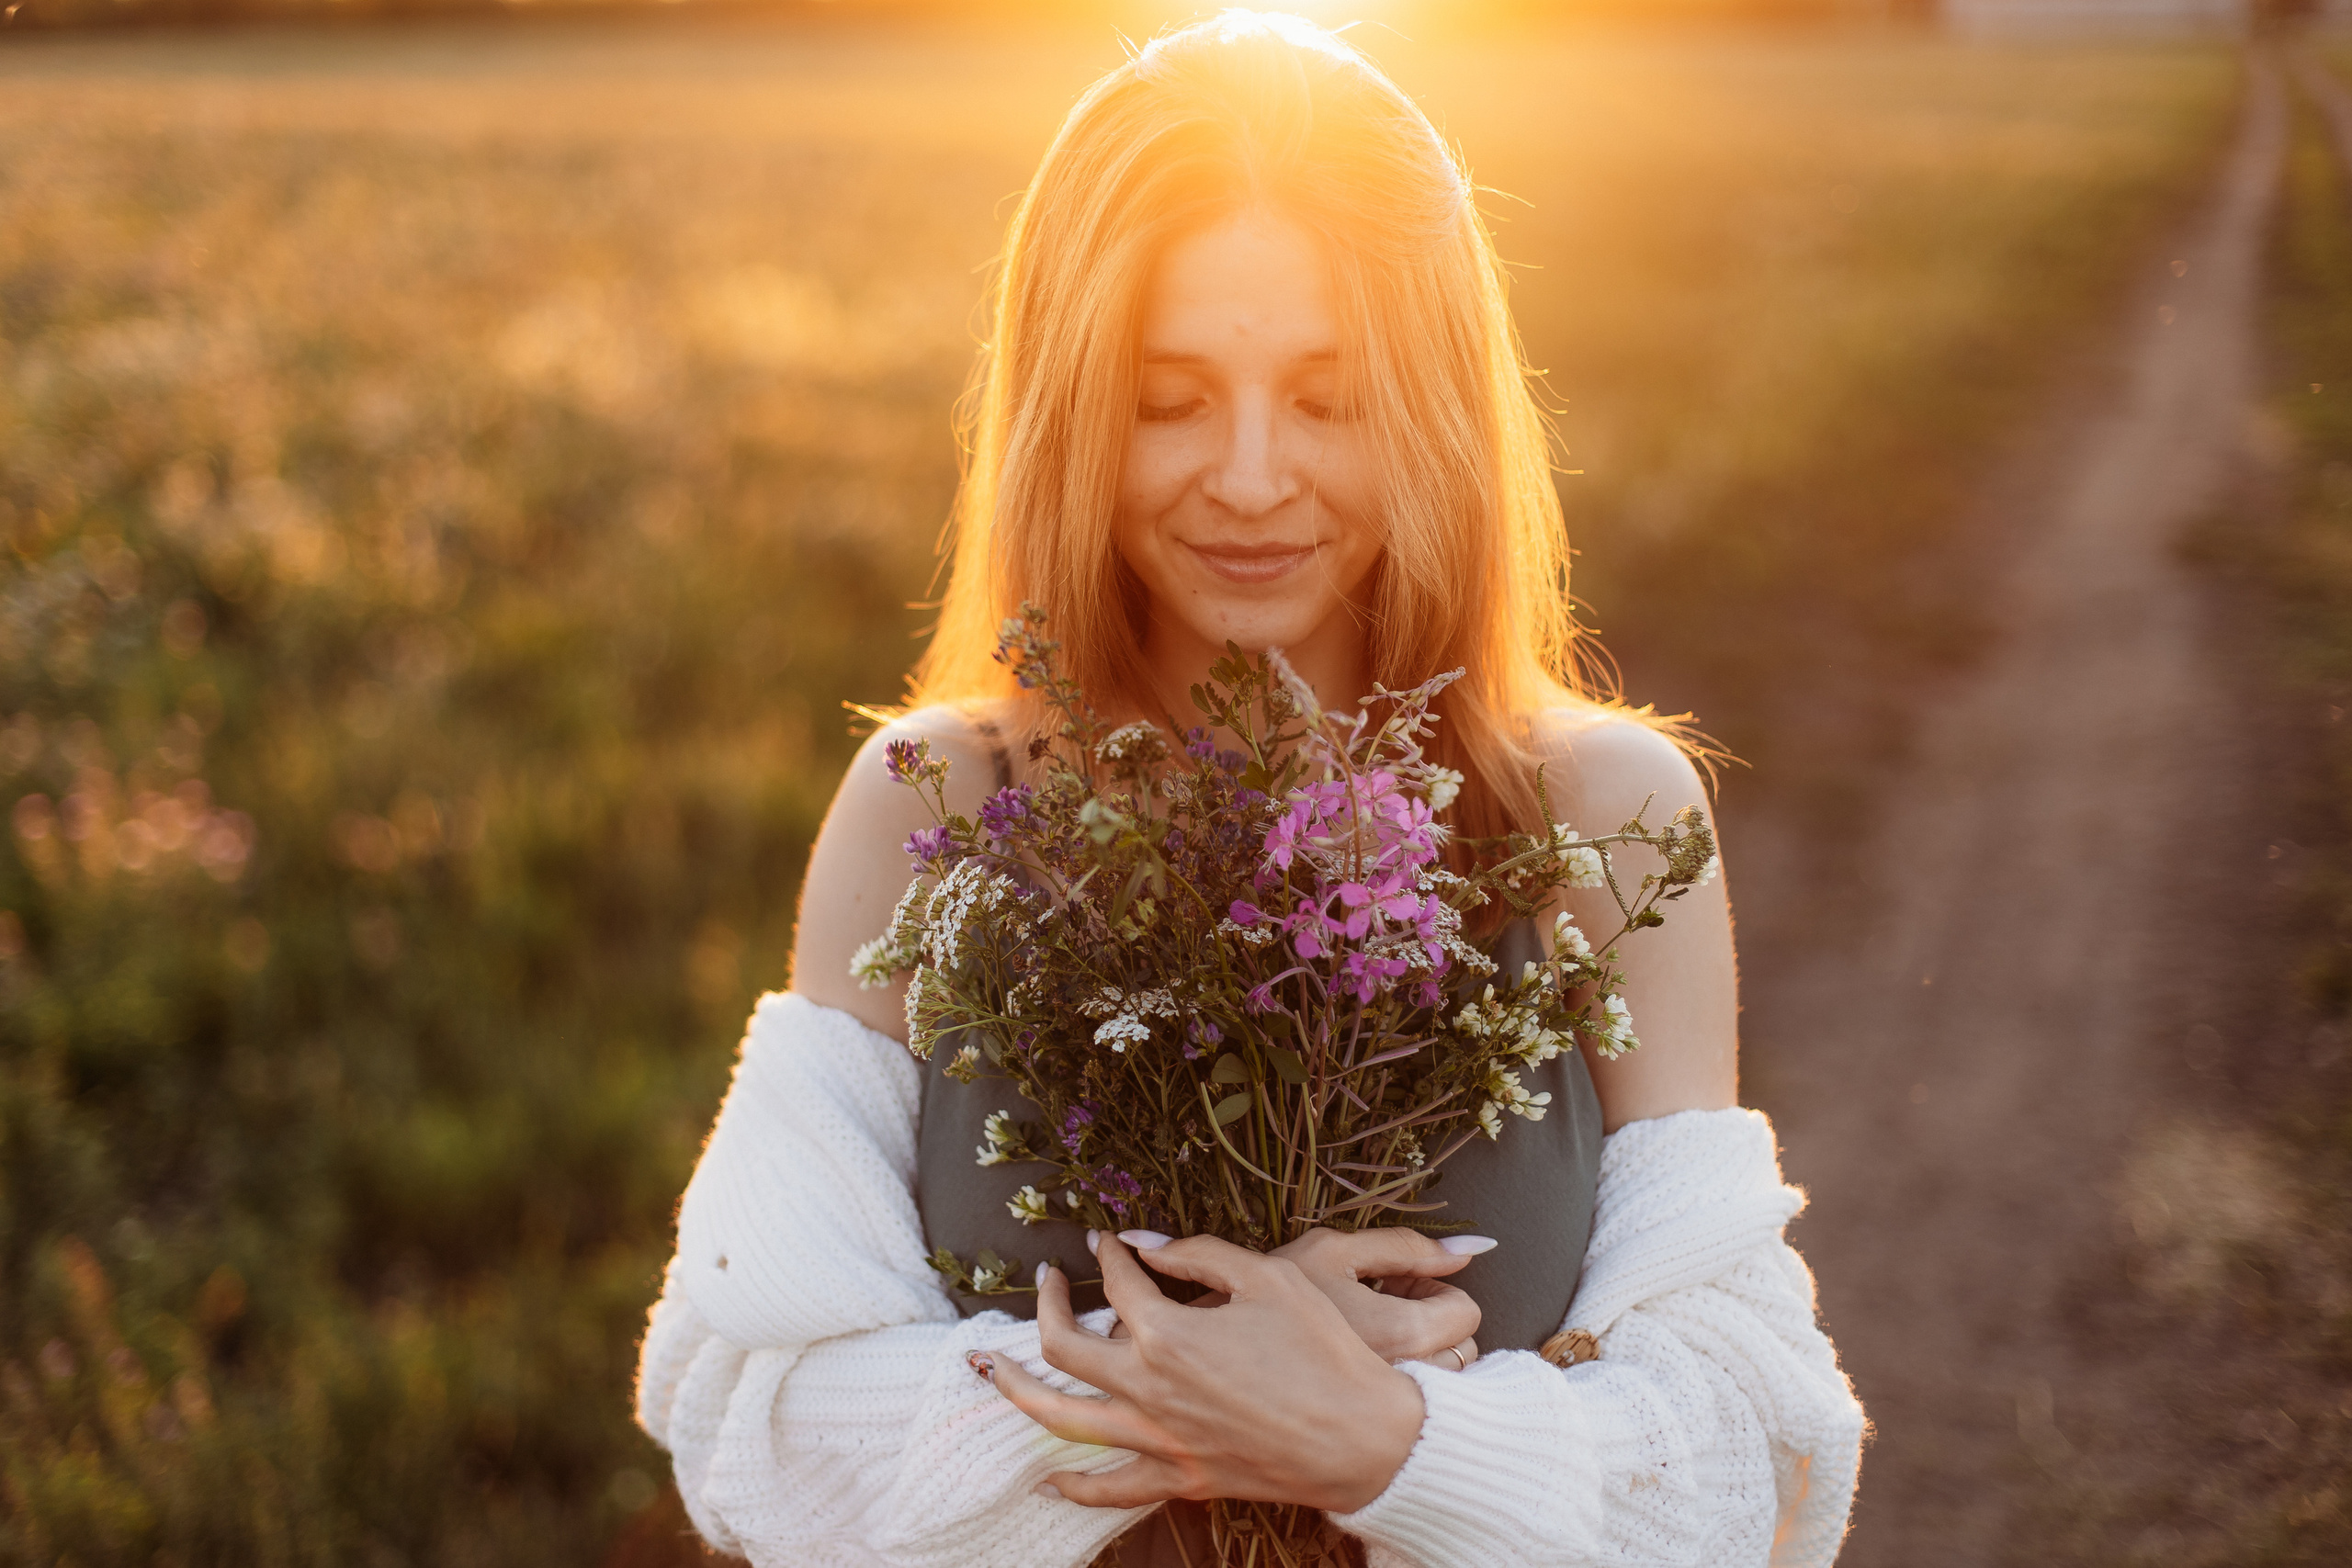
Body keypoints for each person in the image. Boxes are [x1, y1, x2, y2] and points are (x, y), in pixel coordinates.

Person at [634, 13, 1863, 1566]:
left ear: (1435, 412)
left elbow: (1751, 1467)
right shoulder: (927, 807)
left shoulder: (1601, 824)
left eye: (1332, 398)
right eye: (1169, 398)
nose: (1255, 474)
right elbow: (749, 1425)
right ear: (1071, 410)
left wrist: (1379, 1442)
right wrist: (1181, 1404)